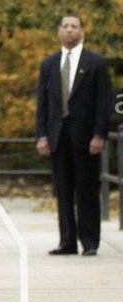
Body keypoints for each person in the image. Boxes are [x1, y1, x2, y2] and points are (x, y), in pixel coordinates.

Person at [36, 14, 112, 256]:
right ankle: (67, 241)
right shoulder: (49, 65)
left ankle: (90, 242)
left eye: (74, 26)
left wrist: (100, 134)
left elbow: (104, 103)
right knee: (63, 190)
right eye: (65, 26)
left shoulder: (96, 64)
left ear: (81, 31)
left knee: (87, 190)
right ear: (59, 31)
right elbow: (43, 103)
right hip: (58, 137)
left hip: (87, 138)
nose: (70, 30)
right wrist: (42, 136)